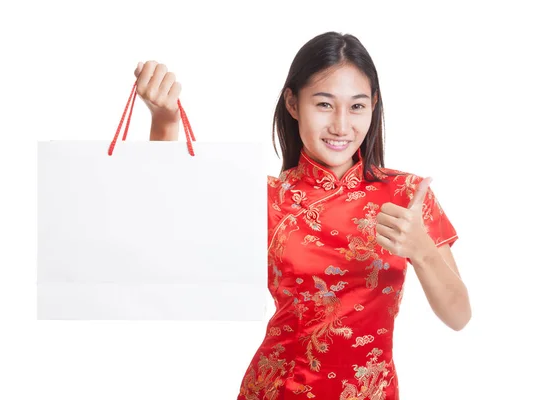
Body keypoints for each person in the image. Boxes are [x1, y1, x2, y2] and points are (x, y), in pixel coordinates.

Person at [133, 31, 471, 400]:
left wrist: (421, 250)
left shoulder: (407, 195)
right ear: (293, 104)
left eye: (357, 106)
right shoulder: (264, 197)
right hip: (278, 389)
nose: (342, 126)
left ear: (374, 105)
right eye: (324, 104)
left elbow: (459, 317)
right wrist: (165, 122)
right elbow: (168, 213)